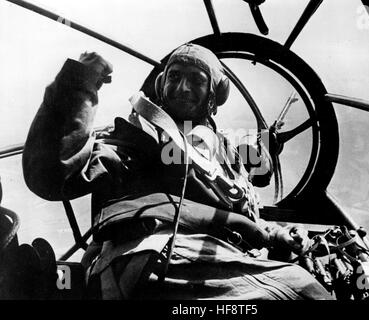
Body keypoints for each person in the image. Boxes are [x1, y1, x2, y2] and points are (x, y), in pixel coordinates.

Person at [22, 43, 333, 300]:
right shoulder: (140, 137)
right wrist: (80, 83)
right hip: (152, 257)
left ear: (215, 94)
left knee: (312, 287)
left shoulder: (226, 156)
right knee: (304, 294)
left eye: (196, 80)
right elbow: (52, 175)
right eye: (174, 77)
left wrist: (275, 232)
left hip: (213, 260)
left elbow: (250, 193)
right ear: (161, 84)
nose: (182, 88)